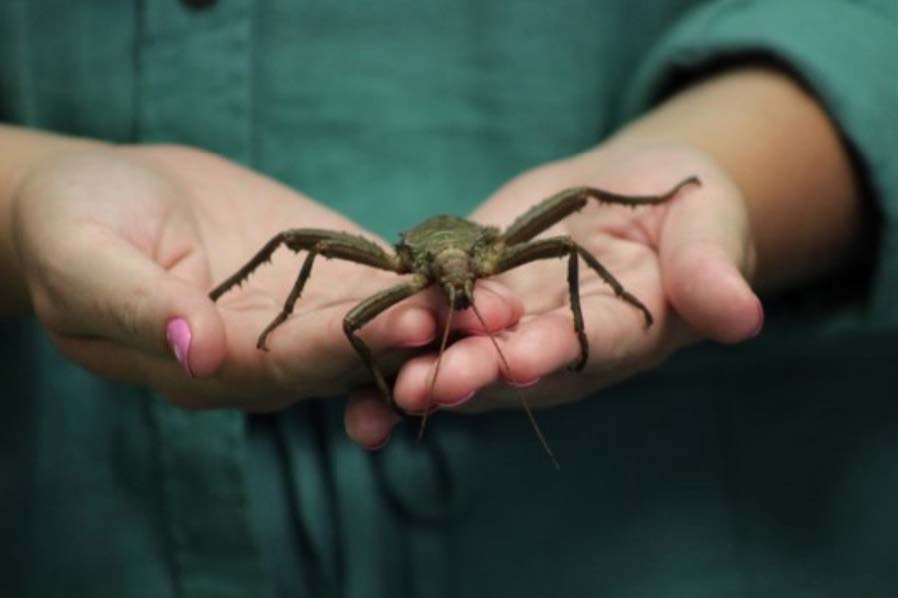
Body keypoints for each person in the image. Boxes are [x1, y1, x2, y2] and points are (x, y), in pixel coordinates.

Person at [1, 1, 896, 596]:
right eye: (450, 282)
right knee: (314, 277)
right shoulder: (403, 266)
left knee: (579, 222)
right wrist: (24, 200)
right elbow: (333, 293)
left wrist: (704, 187)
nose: (459, 294)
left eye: (462, 280)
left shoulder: (502, 249)